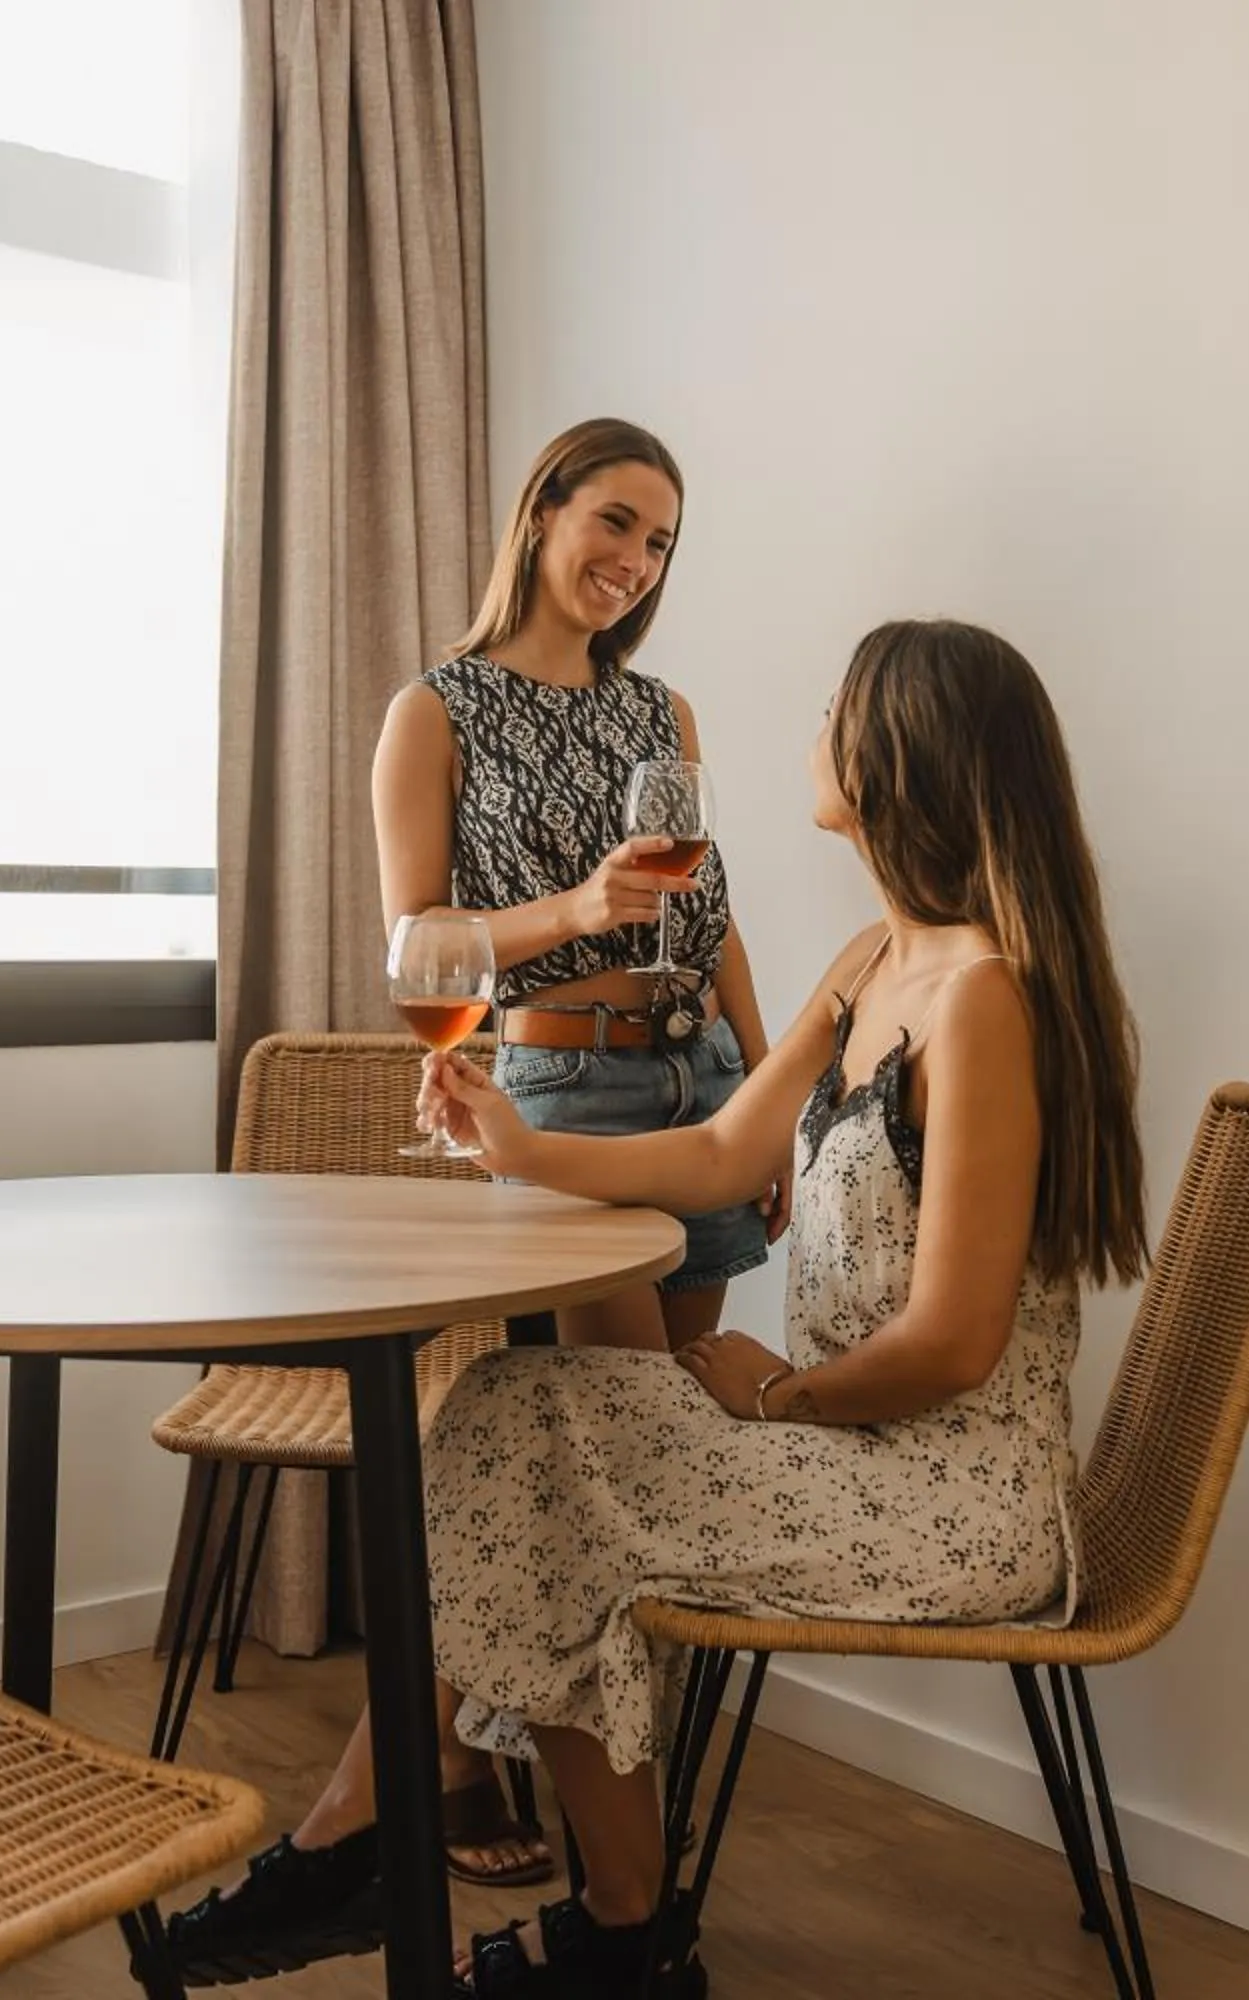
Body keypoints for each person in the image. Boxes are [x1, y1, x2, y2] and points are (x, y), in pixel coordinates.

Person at [171, 619, 1149, 1998]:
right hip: (843, 1448)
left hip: (949, 1496)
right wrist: (519, 1145)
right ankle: (580, 1911)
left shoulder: (984, 1001)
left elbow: (955, 1343)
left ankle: (483, 1877)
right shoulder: (877, 959)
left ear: (897, 755)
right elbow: (721, 1155)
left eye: (835, 707)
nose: (813, 729)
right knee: (515, 1409)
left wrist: (781, 1393)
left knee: (544, 1469)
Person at [371, 417, 784, 1886]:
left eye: (660, 543)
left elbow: (708, 915)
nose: (635, 561)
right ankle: (495, 1784)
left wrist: (762, 1094)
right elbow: (420, 942)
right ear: (543, 511)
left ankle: (531, 1778)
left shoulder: (662, 712)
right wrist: (577, 907)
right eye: (616, 522)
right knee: (614, 1450)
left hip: (697, 1077)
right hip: (566, 1092)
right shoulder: (436, 711)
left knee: (648, 1462)